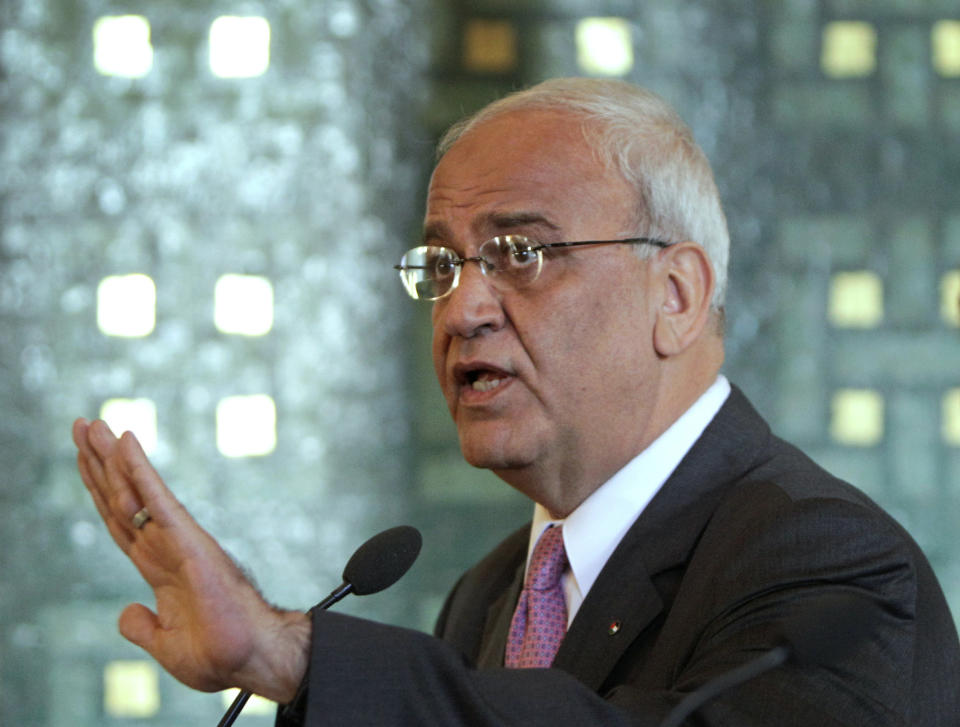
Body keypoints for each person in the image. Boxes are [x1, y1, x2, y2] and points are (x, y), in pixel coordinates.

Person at [72, 78, 960, 725]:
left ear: (677, 296)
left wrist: (289, 653)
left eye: (522, 254)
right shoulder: (493, 590)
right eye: (444, 264)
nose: (462, 308)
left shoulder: (825, 563)